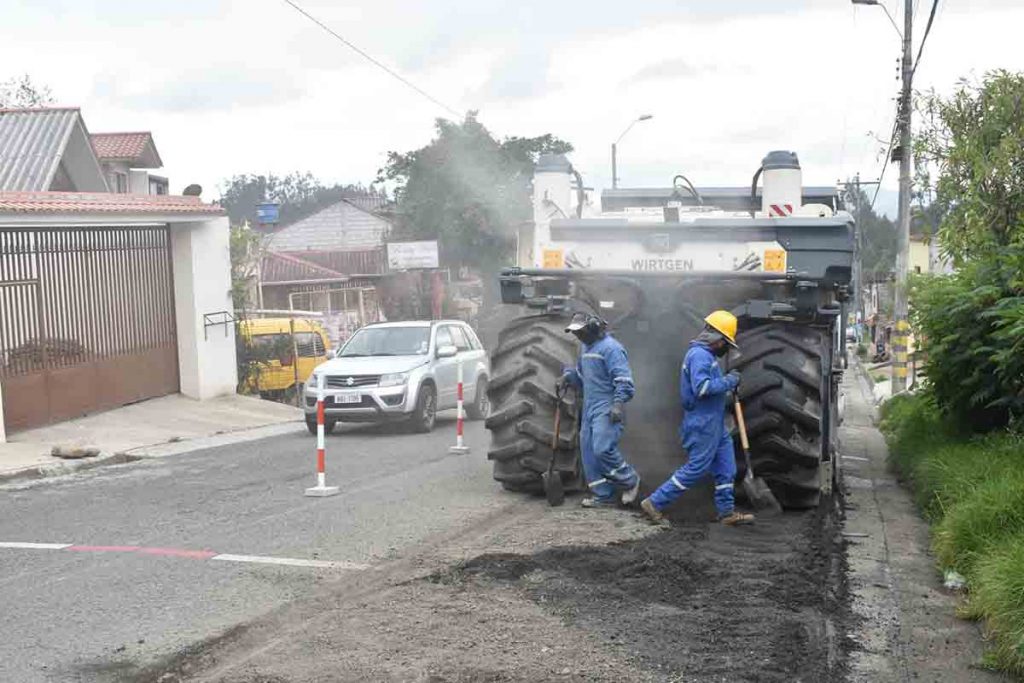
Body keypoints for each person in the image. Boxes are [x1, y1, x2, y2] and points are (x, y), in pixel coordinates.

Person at [640, 310, 754, 526]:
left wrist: (727, 382)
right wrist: (730, 381)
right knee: (697, 467)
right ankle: (654, 502)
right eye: (726, 343)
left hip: (715, 422)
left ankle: (726, 512)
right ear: (717, 339)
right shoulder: (699, 356)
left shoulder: (707, 355)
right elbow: (701, 388)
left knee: (726, 467)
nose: (726, 348)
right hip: (702, 422)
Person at [557, 312, 640, 508]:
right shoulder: (585, 347)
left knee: (602, 448)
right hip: (589, 406)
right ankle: (603, 495)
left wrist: (618, 404)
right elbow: (580, 375)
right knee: (588, 452)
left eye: (581, 332)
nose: (577, 336)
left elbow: (624, 381)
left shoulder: (612, 349)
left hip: (607, 405)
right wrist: (568, 376)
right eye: (575, 333)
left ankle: (630, 480)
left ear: (594, 329)